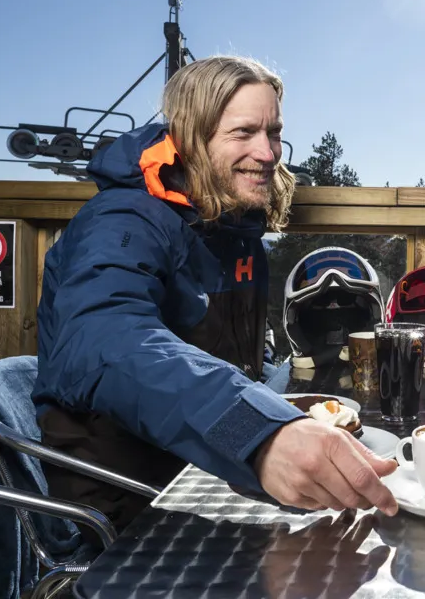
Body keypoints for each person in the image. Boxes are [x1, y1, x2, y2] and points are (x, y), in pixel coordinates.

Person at [33, 56, 398, 535]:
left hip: (206, 473)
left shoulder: (234, 227)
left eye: (273, 133)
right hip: (128, 504)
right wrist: (257, 433)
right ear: (191, 136)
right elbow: (105, 340)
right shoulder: (124, 220)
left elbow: (226, 357)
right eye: (242, 133)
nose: (267, 153)